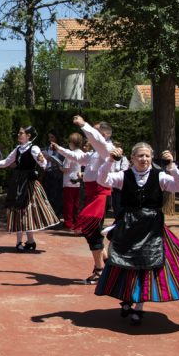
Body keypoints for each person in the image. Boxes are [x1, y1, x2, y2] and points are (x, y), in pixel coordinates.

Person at [95, 143, 179, 326]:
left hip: (152, 230)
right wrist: (110, 160)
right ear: (132, 158)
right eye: (140, 156)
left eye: (147, 156)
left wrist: (171, 166)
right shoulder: (124, 176)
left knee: (147, 267)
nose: (144, 159)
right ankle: (127, 298)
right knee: (124, 264)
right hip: (129, 228)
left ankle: (139, 307)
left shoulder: (160, 176)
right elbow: (102, 180)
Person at [51, 116, 115, 284]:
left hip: (100, 195)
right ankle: (106, 263)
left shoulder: (107, 149)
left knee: (91, 231)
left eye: (95, 131)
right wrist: (59, 149)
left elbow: (97, 140)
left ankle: (100, 270)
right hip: (92, 195)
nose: (90, 136)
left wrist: (84, 125)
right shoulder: (95, 152)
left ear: (104, 135)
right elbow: (78, 158)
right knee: (91, 231)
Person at [0, 126, 59, 250]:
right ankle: (27, 241)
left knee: (26, 211)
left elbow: (43, 163)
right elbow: (6, 162)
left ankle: (25, 241)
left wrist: (41, 160)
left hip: (28, 183)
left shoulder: (34, 148)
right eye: (19, 133)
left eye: (21, 133)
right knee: (20, 210)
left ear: (28, 136)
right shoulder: (18, 149)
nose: (18, 135)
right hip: (18, 182)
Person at [60, 132, 84, 230]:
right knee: (76, 203)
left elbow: (65, 169)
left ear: (72, 143)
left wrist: (59, 167)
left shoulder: (69, 154)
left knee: (68, 203)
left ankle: (68, 222)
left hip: (68, 181)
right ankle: (75, 220)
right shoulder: (82, 153)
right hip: (77, 180)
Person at [41, 129, 64, 218]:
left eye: (52, 137)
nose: (50, 139)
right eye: (49, 137)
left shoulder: (60, 149)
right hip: (47, 173)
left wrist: (51, 158)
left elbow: (61, 161)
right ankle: (48, 214)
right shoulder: (46, 148)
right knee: (47, 194)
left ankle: (56, 213)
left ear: (56, 138)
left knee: (56, 194)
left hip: (56, 173)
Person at [108, 140, 130, 217]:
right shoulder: (109, 159)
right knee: (114, 202)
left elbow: (124, 170)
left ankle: (121, 216)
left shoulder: (123, 159)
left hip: (120, 183)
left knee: (119, 201)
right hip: (111, 183)